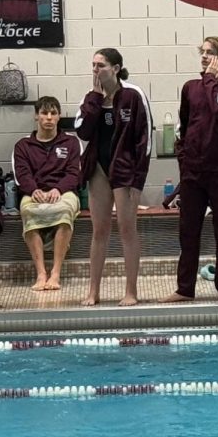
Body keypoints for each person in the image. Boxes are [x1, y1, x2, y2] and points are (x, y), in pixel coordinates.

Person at [167, 37, 218, 304]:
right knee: (188, 230)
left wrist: (211, 80)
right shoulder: (190, 87)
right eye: (202, 51)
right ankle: (185, 288)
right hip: (193, 170)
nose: (203, 57)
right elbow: (184, 125)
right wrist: (184, 157)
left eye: (210, 53)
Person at [75, 48, 151, 307]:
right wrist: (96, 99)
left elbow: (145, 139)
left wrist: (139, 179)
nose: (95, 70)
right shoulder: (90, 98)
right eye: (93, 65)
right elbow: (82, 132)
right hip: (98, 168)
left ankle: (131, 291)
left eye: (101, 65)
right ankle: (93, 291)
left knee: (127, 230)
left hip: (126, 169)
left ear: (116, 68)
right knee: (99, 231)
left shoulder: (133, 95)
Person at [13, 96, 83, 292]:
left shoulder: (71, 143)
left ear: (59, 117)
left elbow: (74, 173)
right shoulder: (23, 146)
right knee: (28, 212)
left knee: (64, 212)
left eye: (53, 113)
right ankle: (41, 273)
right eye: (44, 113)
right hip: (34, 191)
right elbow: (22, 173)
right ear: (36, 117)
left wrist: (58, 189)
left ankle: (56, 273)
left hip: (64, 191)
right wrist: (33, 190)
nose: (49, 118)